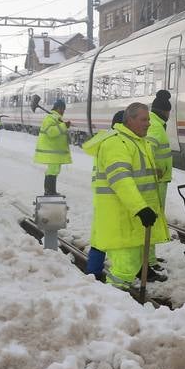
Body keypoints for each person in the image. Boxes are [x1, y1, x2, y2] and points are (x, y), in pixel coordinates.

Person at [90, 102, 171, 291]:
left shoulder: (137, 141)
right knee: (124, 269)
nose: (148, 123)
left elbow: (135, 173)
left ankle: (117, 304)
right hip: (121, 218)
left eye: (149, 119)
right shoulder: (117, 143)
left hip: (131, 219)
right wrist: (140, 208)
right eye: (144, 120)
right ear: (129, 120)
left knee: (131, 265)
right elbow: (121, 179)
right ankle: (113, 304)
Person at [81, 110, 125, 281]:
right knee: (116, 239)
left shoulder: (105, 140)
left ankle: (93, 272)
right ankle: (115, 280)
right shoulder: (116, 143)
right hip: (114, 197)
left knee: (99, 237)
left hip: (102, 196)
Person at [145, 90, 175, 274]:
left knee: (154, 220)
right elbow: (146, 148)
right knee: (152, 221)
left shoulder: (156, 123)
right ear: (165, 111)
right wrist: (153, 168)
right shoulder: (155, 126)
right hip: (155, 181)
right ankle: (148, 260)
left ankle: (151, 257)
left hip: (159, 181)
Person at [34, 99, 73, 195]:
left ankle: (51, 191)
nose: (63, 112)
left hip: (55, 151)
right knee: (52, 171)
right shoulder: (50, 118)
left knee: (54, 170)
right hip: (51, 150)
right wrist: (64, 126)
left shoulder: (55, 118)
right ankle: (49, 192)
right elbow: (50, 132)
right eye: (63, 109)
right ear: (59, 108)